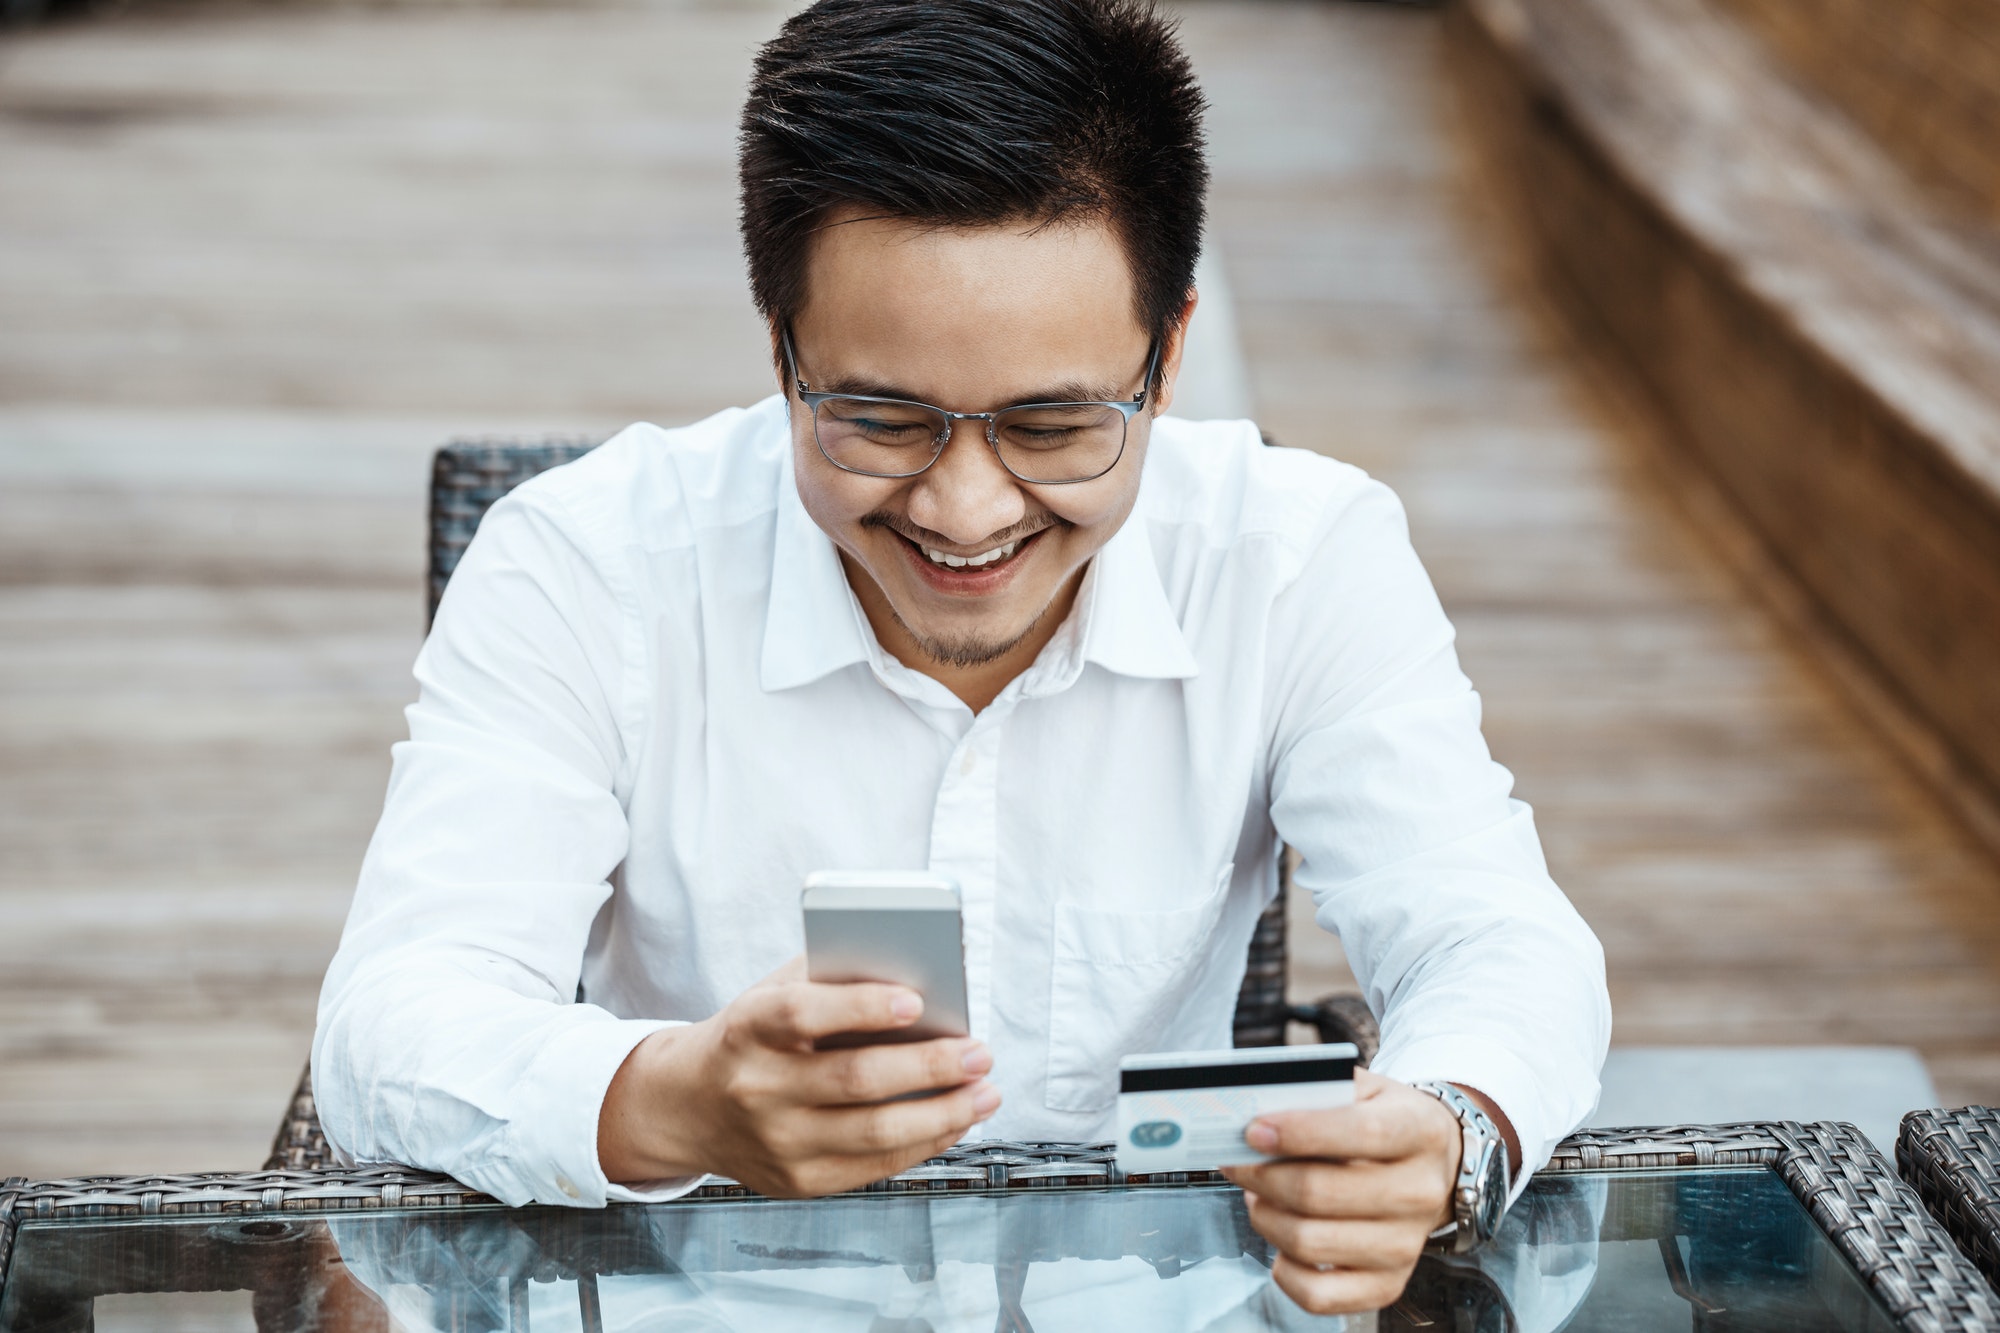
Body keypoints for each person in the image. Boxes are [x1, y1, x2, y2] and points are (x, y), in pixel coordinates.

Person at [313, 0, 1610, 1315]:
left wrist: (1448, 1130)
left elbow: (1500, 943)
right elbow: (392, 1025)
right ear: (780, 348)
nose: (965, 512)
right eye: (880, 418)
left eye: (1053, 423)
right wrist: (675, 1098)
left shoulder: (1297, 557)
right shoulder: (583, 566)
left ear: (1165, 357)